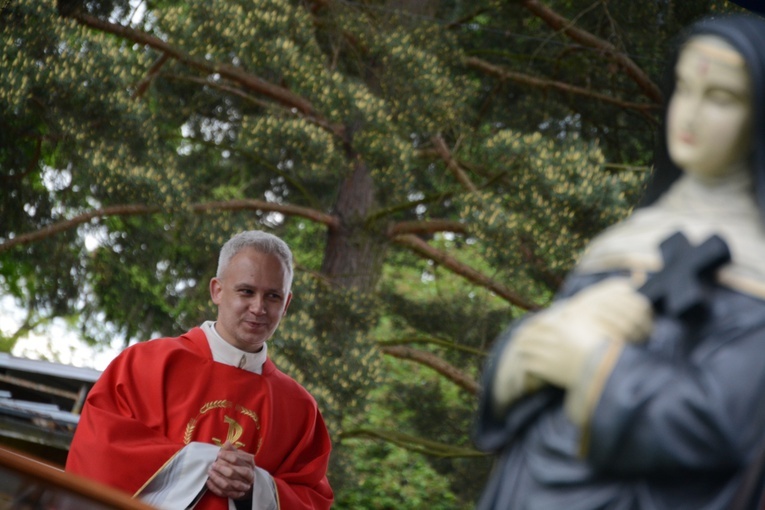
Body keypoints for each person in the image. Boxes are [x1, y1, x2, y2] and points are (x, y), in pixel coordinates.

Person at [475, 13, 765, 510]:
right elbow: (538, 361)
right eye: (684, 89)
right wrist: (520, 357)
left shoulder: (756, 263)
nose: (689, 114)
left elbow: (721, 429)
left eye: (720, 97)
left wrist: (593, 365)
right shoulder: (624, 240)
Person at [66, 230, 333, 510]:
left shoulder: (299, 409)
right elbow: (98, 452)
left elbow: (312, 498)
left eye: (273, 296)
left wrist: (256, 487)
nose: (258, 307)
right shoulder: (147, 364)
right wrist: (204, 463)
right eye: (246, 291)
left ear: (287, 303)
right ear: (217, 290)